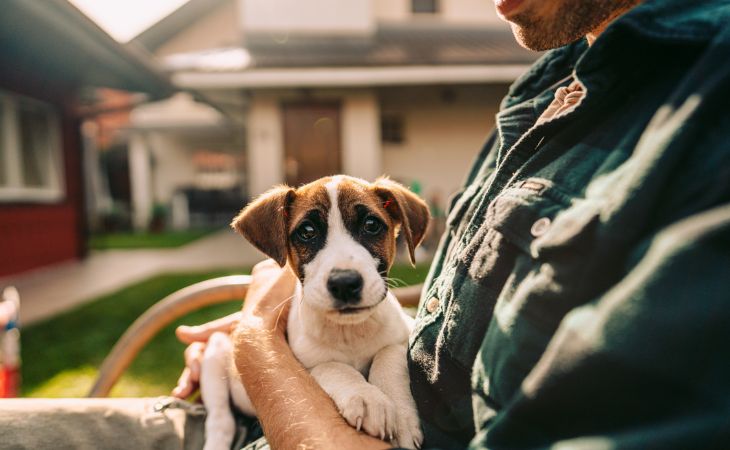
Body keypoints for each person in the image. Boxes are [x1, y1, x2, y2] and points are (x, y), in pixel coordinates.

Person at [2, 0, 729, 448]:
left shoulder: (701, 107)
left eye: (373, 230)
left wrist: (259, 339)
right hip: (275, 407)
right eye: (310, 236)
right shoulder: (543, 88)